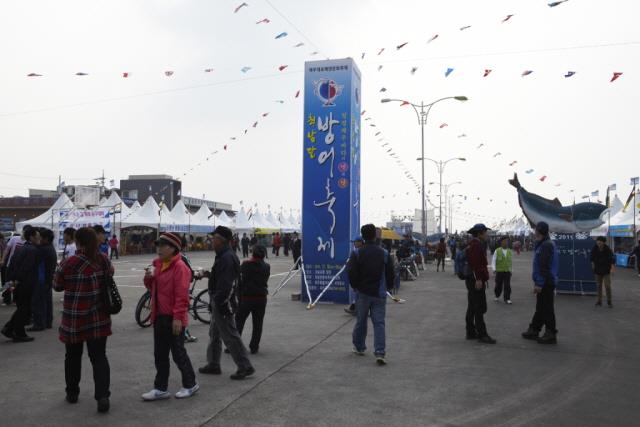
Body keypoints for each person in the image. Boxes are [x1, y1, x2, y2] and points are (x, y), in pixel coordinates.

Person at [53, 227, 113, 413]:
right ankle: (102, 396)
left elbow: (56, 286)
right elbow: (110, 274)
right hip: (98, 317)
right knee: (99, 357)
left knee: (72, 357)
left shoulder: (68, 263)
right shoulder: (102, 259)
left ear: (77, 242)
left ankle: (72, 393)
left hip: (74, 319)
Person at [141, 232, 199, 401]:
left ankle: (191, 384)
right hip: (159, 315)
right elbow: (150, 287)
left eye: (162, 245)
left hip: (173, 317)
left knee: (178, 353)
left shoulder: (180, 267)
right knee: (159, 354)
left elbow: (182, 296)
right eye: (157, 245)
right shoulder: (157, 264)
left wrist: (178, 318)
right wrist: (148, 276)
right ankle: (160, 388)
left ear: (173, 248)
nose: (158, 249)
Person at [200, 226, 254, 380]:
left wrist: (220, 304)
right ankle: (213, 364)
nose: (211, 241)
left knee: (230, 335)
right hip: (220, 300)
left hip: (223, 303)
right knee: (214, 334)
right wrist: (208, 275)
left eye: (213, 238)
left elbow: (227, 285)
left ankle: (245, 366)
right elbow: (222, 279)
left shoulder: (226, 258)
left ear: (221, 240)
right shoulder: (223, 255)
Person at [348, 224, 395, 365]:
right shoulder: (384, 253)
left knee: (361, 321)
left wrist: (355, 286)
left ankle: (359, 347)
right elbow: (390, 272)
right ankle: (380, 352)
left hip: (362, 293)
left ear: (362, 236)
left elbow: (351, 272)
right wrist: (389, 287)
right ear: (375, 236)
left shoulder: (357, 253)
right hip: (379, 293)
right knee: (379, 323)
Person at [522, 221, 559, 345]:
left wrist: (539, 283)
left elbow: (544, 267)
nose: (534, 232)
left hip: (546, 282)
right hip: (545, 281)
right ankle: (534, 329)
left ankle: (551, 333)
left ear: (540, 231)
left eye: (536, 230)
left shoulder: (546, 245)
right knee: (541, 308)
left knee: (547, 308)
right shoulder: (543, 244)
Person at [2, 226, 40, 342]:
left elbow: (14, 263)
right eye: (37, 237)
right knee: (24, 309)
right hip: (25, 283)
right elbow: (25, 268)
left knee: (22, 308)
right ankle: (17, 332)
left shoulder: (24, 247)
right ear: (32, 237)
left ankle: (10, 329)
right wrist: (17, 280)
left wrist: (13, 279)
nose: (39, 239)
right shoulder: (32, 250)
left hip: (20, 282)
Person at [235, 245, 270, 354]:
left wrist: (238, 296)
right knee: (258, 324)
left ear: (252, 253)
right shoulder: (266, 266)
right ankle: (254, 346)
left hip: (247, 298)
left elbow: (239, 281)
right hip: (261, 298)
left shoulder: (246, 265)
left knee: (239, 321)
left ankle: (234, 345)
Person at [465, 224, 496, 344]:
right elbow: (476, 264)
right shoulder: (476, 245)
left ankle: (470, 331)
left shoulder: (473, 244)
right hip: (475, 280)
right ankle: (482, 334)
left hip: (472, 280)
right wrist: (478, 279)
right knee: (479, 307)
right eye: (485, 232)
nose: (487, 234)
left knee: (472, 306)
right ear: (479, 234)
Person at [29, 228, 57, 331]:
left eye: (40, 237)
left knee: (38, 302)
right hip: (48, 279)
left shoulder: (42, 250)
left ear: (45, 238)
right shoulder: (50, 248)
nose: (38, 239)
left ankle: (39, 324)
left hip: (41, 279)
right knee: (47, 302)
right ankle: (47, 322)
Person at [1, 227, 31, 305]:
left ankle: (15, 300)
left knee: (17, 283)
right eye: (24, 231)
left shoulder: (28, 242)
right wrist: (3, 260)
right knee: (7, 282)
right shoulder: (14, 239)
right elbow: (7, 250)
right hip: (10, 265)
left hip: (20, 267)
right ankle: (6, 300)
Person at [591, 236, 615, 308]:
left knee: (607, 285)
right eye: (597, 241)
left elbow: (612, 260)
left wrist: (612, 269)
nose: (598, 242)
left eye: (600, 241)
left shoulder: (608, 250)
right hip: (597, 270)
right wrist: (592, 265)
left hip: (606, 270)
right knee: (598, 285)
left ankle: (609, 301)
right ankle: (599, 301)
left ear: (603, 242)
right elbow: (591, 258)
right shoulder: (594, 248)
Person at [344, 237, 364, 316]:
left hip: (359, 279)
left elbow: (351, 269)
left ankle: (356, 309)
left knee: (358, 295)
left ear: (360, 242)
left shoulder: (356, 252)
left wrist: (353, 283)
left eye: (355, 242)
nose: (354, 244)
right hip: (364, 279)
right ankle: (354, 308)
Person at [491, 236, 513, 305]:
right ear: (501, 242)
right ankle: (497, 295)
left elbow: (510, 262)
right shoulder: (497, 251)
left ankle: (507, 298)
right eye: (504, 241)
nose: (506, 242)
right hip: (499, 271)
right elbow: (493, 260)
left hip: (507, 271)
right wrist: (494, 269)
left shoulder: (510, 251)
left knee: (507, 285)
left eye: (507, 241)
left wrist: (511, 270)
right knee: (498, 285)